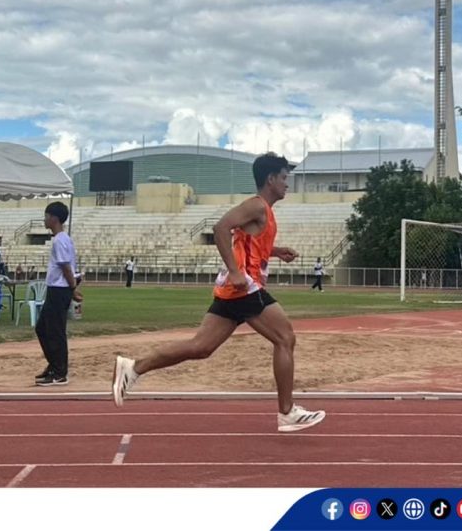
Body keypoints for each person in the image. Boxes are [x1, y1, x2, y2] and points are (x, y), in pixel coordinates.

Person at [111, 153, 325, 432]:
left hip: (234, 290)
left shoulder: (265, 212)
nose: (287, 184)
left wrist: (275, 251)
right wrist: (236, 271)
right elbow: (221, 227)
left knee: (201, 347)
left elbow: (246, 241)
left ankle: (133, 368)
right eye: (284, 178)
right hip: (245, 287)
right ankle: (287, 412)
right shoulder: (256, 205)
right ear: (271, 179)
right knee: (285, 338)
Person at [35, 202, 82, 386]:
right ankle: (54, 364)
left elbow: (65, 267)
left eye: (46, 216)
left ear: (54, 218)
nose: (44, 220)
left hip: (59, 289)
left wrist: (72, 288)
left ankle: (60, 372)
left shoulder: (60, 240)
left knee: (55, 331)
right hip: (56, 288)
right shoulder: (61, 239)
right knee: (42, 328)